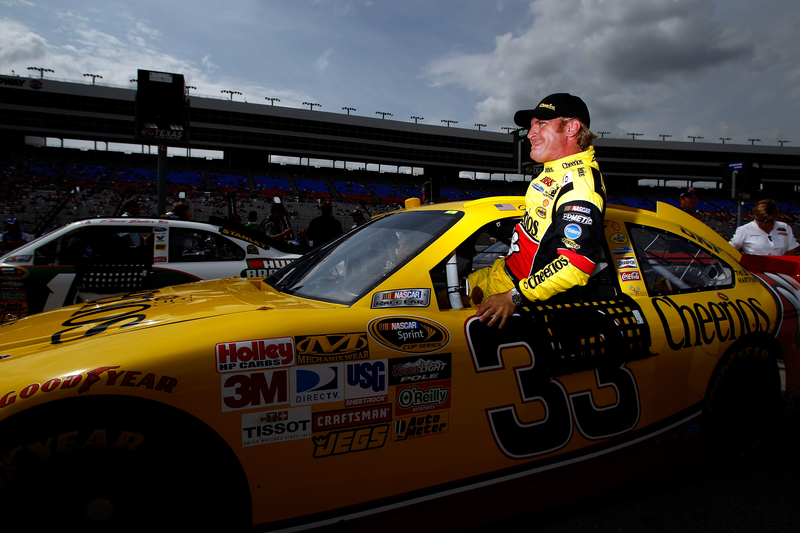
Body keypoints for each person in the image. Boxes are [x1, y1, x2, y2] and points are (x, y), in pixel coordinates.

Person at [469, 93, 605, 329]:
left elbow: (576, 265)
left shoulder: (580, 185)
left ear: (572, 128)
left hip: (520, 299)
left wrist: (515, 296)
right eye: (531, 126)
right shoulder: (552, 172)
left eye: (541, 124)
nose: (530, 134)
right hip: (499, 274)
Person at [729, 199, 799, 256]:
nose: (764, 224)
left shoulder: (785, 227)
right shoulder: (744, 229)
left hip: (781, 269)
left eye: (769, 221)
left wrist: (779, 263)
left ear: (774, 218)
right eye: (760, 221)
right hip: (755, 269)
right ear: (755, 216)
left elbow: (792, 250)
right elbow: (730, 250)